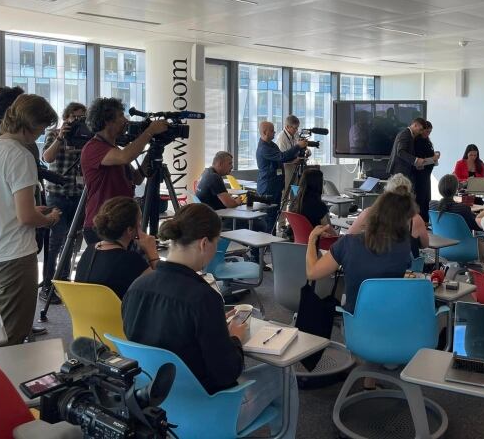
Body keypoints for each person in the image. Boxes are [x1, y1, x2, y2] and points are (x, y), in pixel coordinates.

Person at [122, 204, 297, 435]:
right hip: (209, 410)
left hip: (153, 404)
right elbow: (226, 373)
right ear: (204, 243)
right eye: (216, 244)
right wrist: (234, 338)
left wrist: (213, 328)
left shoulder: (136, 288)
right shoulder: (203, 297)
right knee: (283, 374)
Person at [0, 94, 61, 345]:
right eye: (42, 127)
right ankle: (6, 382)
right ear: (31, 124)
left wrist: (28, 209)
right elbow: (26, 216)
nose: (42, 134)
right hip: (14, 256)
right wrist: (50, 218)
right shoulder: (20, 156)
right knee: (13, 335)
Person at [306, 190, 415, 313]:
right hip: (390, 317)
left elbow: (312, 273)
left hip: (355, 322)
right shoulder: (404, 247)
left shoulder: (348, 243)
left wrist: (312, 239)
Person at [81, 98, 168, 245]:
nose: (125, 120)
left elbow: (137, 178)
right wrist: (150, 131)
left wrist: (152, 151)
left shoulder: (114, 150)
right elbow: (125, 157)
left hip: (121, 224)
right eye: (121, 115)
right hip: (102, 225)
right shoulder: (93, 148)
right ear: (107, 120)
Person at [39, 101, 86, 304]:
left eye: (82, 118)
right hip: (57, 195)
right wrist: (61, 137)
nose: (78, 121)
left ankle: (64, 281)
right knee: (56, 241)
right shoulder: (53, 134)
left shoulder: (86, 137)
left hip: (78, 195)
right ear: (66, 117)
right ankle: (48, 284)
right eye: (75, 117)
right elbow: (47, 158)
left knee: (73, 241)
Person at [75, 197, 158, 299]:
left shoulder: (89, 251)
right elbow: (162, 289)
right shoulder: (131, 260)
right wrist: (152, 252)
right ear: (130, 229)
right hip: (119, 315)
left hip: (84, 314)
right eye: (139, 222)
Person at [348, 174, 429, 258]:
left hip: (372, 264)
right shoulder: (415, 219)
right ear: (409, 196)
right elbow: (424, 244)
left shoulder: (368, 213)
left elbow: (349, 237)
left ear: (385, 193)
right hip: (406, 268)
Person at [255, 121, 307, 232]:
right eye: (272, 130)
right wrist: (298, 146)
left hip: (277, 186)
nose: (274, 132)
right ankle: (267, 243)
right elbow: (281, 156)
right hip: (268, 187)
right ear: (265, 132)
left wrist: (294, 159)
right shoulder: (264, 148)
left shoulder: (272, 145)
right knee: (268, 217)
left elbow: (281, 158)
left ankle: (272, 241)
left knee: (274, 215)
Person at [291, 168, 335, 236]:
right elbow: (330, 232)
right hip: (316, 243)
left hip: (299, 242)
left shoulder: (294, 203)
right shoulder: (319, 206)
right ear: (318, 184)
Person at [386, 117, 427, 184]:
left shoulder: (409, 135)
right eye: (420, 129)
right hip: (399, 172)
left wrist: (416, 163)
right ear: (415, 125)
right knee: (400, 194)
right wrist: (416, 160)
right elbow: (400, 152)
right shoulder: (405, 134)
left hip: (402, 172)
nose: (421, 132)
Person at [414, 121, 439, 222]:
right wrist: (433, 158)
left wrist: (435, 157)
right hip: (420, 176)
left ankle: (424, 222)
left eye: (430, 132)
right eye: (427, 131)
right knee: (421, 200)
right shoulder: (418, 142)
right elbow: (419, 162)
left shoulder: (427, 141)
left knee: (426, 201)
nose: (428, 134)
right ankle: (420, 223)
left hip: (426, 175)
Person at [275, 115, 303, 191]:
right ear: (287, 127)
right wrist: (293, 161)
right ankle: (286, 202)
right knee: (287, 189)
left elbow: (297, 147)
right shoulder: (282, 138)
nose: (296, 130)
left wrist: (305, 151)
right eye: (295, 128)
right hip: (285, 168)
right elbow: (282, 157)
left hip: (295, 167)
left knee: (295, 189)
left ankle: (294, 202)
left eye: (297, 128)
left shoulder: (295, 134)